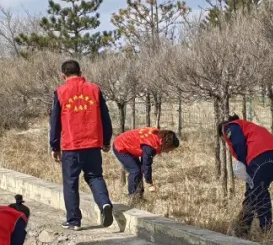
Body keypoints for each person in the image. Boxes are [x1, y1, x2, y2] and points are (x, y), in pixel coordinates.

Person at [49, 60, 114, 230]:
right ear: (81, 72)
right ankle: (105, 204)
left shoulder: (61, 92)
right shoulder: (94, 89)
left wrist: (54, 146)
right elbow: (105, 117)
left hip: (71, 145)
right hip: (92, 144)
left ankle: (74, 220)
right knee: (95, 176)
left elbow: (55, 122)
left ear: (63, 76)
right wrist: (106, 140)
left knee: (71, 182)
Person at [218, 114, 273, 235]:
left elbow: (239, 144)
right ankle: (250, 228)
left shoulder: (229, 127)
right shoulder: (247, 127)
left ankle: (254, 228)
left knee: (255, 191)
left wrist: (243, 163)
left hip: (262, 156)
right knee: (257, 190)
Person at [112, 127, 180, 200]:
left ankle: (139, 196)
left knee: (139, 170)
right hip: (120, 146)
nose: (167, 152)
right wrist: (150, 183)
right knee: (135, 170)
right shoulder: (151, 145)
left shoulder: (158, 136)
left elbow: (144, 164)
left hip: (129, 145)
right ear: (167, 145)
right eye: (169, 150)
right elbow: (146, 165)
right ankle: (133, 198)